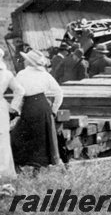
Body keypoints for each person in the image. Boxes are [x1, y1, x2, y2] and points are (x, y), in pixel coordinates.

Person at [11, 50, 64, 169]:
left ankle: (20, 164)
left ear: (29, 62)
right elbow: (59, 93)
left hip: (29, 106)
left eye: (26, 59)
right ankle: (39, 166)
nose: (24, 61)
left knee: (21, 135)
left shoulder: (22, 74)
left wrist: (14, 109)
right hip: (43, 106)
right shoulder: (45, 74)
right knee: (42, 137)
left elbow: (18, 94)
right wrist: (54, 110)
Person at [1, 48, 25, 179]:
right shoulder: (7, 74)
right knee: (3, 139)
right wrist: (13, 108)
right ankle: (5, 173)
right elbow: (20, 91)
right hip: (2, 108)